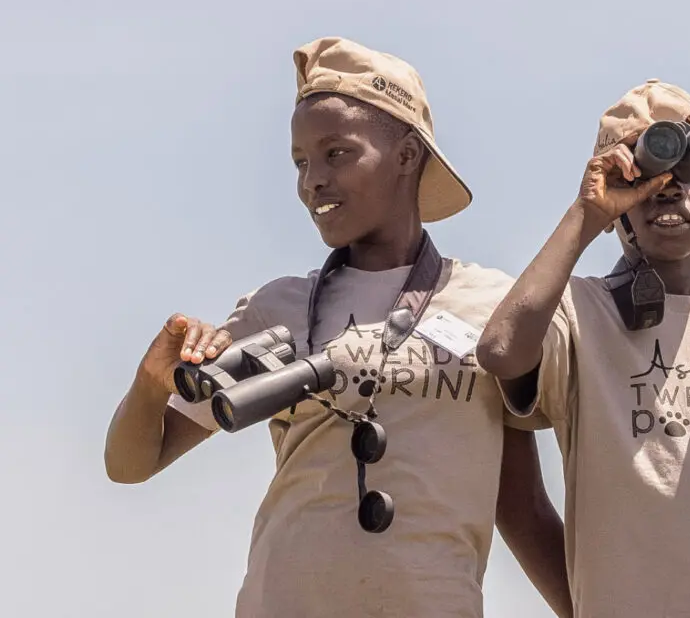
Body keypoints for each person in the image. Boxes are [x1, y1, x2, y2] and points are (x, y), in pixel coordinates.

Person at [104, 37, 572, 618]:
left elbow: (522, 505)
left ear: (407, 155)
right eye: (301, 162)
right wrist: (152, 382)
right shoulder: (278, 307)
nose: (312, 181)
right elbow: (129, 466)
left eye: (336, 154)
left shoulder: (490, 308)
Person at [477, 80, 690, 618]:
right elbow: (502, 350)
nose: (669, 191)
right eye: (645, 179)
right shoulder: (579, 314)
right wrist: (586, 215)